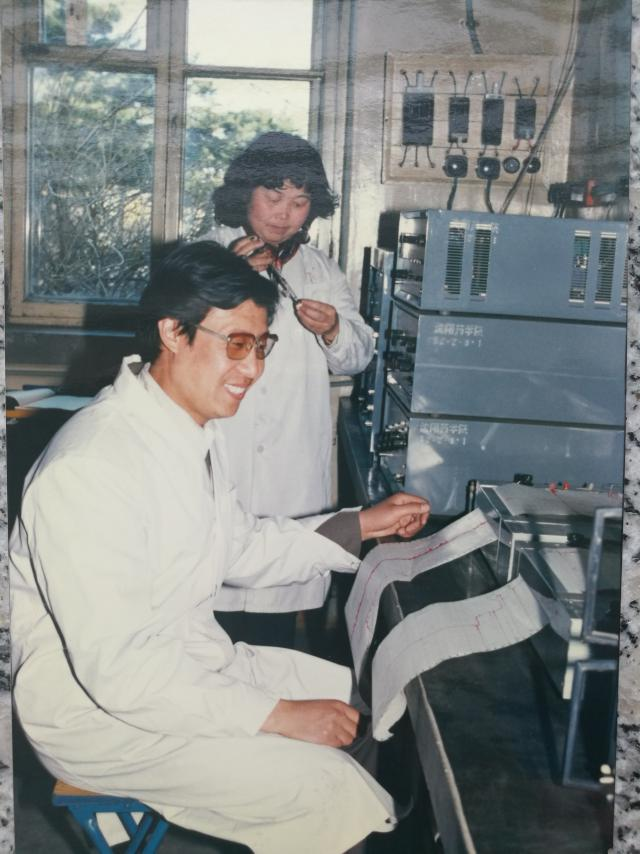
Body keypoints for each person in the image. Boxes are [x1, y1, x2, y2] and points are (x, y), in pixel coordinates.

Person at [10, 241, 430, 854]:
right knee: (324, 787)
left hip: (182, 665)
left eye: (261, 346)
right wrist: (278, 715)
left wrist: (362, 525)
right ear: (172, 333)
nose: (253, 369)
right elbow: (121, 673)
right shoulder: (90, 468)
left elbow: (238, 544)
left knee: (361, 701)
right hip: (99, 715)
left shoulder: (185, 431)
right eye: (236, 344)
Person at [205, 131, 375, 646]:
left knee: (274, 631)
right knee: (204, 623)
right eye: (273, 196)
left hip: (290, 473)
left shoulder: (319, 270)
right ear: (245, 194)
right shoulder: (205, 255)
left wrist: (333, 329)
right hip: (220, 456)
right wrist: (229, 278)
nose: (284, 214)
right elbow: (172, 337)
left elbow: (359, 354)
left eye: (300, 202)